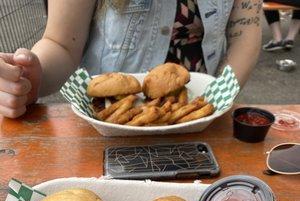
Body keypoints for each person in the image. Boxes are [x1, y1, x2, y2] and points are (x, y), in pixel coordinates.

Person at [0, 0, 262, 119]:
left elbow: (245, 37)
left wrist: (212, 103)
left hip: (200, 121)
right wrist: (32, 77)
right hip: (108, 130)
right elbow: (61, 44)